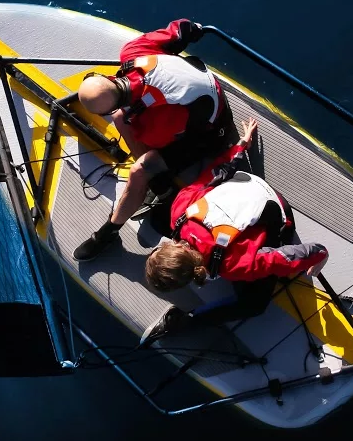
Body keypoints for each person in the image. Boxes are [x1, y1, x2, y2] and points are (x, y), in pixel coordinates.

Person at [139, 117, 329, 343]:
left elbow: (284, 257)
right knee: (159, 219)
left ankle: (189, 320)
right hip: (244, 182)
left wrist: (320, 254)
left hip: (276, 207)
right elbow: (213, 175)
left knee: (254, 305)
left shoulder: (236, 265)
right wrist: (241, 145)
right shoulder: (179, 214)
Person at [74, 18, 235, 261]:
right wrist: (191, 30)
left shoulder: (160, 120)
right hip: (200, 84)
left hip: (212, 130)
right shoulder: (132, 51)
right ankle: (159, 182)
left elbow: (161, 141)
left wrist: (147, 157)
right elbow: (178, 30)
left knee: (141, 169)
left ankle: (110, 230)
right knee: (122, 117)